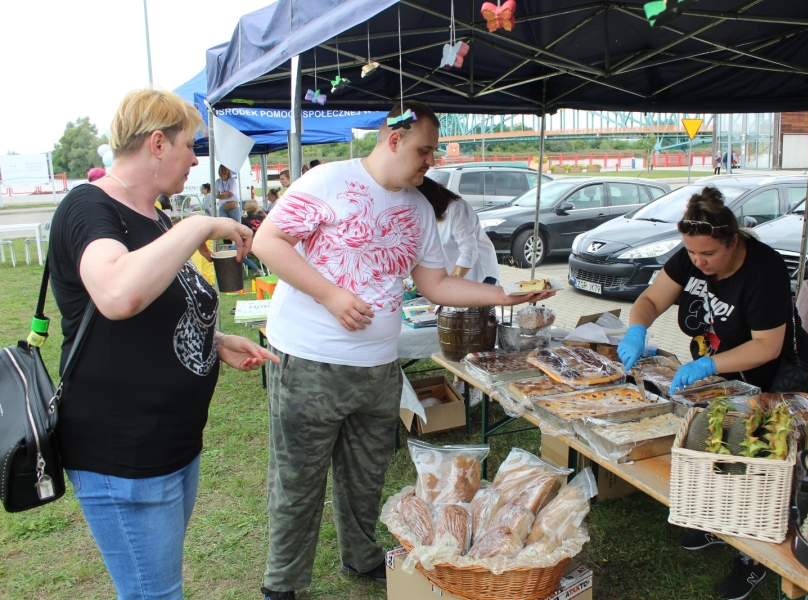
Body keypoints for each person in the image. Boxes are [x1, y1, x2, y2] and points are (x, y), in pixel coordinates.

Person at [252, 100, 553, 599]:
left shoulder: (417, 208)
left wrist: (502, 296)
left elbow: (435, 284)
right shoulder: (327, 180)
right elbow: (268, 241)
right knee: (297, 480)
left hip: (378, 368)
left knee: (366, 474)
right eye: (424, 150)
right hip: (310, 362)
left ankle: (361, 554)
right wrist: (330, 294)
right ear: (394, 139)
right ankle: (282, 584)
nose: (431, 161)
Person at [47, 87, 278, 599]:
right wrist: (200, 225)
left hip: (170, 443)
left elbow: (157, 310)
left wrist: (216, 340)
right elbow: (118, 294)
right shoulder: (88, 207)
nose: (195, 160)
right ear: (156, 144)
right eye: (189, 145)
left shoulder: (155, 217)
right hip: (123, 450)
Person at [616, 186, 801, 600]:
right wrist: (637, 328)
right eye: (692, 253)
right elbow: (650, 298)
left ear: (733, 240)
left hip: (770, 380)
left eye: (709, 255)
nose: (699, 262)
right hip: (719, 378)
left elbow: (767, 345)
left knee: (754, 465)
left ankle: (753, 558)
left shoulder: (764, 269)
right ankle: (714, 520)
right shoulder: (692, 256)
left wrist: (707, 365)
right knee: (715, 449)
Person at [417, 175, 501, 284]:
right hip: (449, 276)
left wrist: (448, 284)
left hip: (479, 276)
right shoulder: (422, 215)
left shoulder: (457, 209)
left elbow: (469, 252)